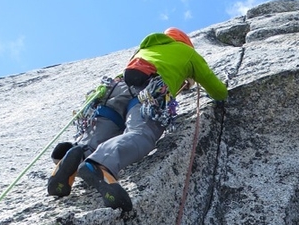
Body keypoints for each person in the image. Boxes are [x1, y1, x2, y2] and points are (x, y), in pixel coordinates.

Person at [48, 28, 228, 212]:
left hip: (115, 90)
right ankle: (100, 164)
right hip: (149, 90)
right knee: (141, 134)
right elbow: (218, 91)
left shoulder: (147, 47)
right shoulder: (188, 53)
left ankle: (75, 155)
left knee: (103, 132)